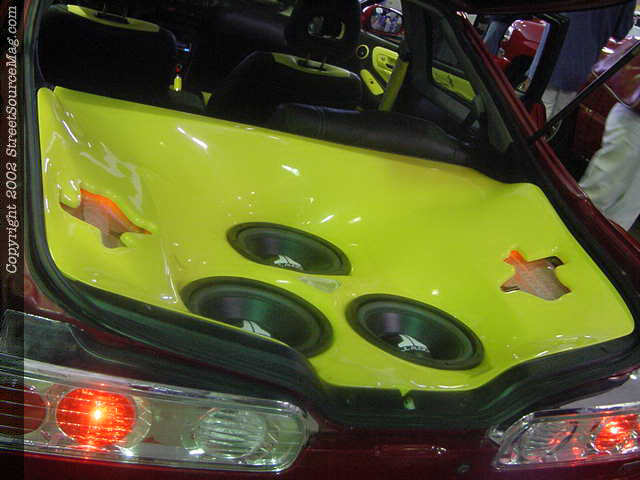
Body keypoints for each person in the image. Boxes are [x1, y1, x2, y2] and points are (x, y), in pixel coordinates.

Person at [541, 2, 635, 118]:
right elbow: (620, 32)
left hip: (551, 51)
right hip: (582, 61)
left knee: (539, 110)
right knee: (559, 114)